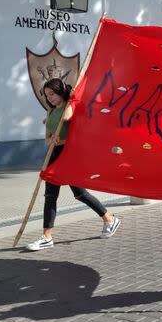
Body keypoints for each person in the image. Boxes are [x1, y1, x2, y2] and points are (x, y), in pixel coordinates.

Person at [26, 78, 121, 251]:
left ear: (61, 91)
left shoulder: (71, 106)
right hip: (54, 155)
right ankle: (47, 236)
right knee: (50, 196)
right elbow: (47, 139)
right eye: (47, 95)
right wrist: (52, 140)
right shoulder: (50, 112)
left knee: (80, 194)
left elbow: (68, 117)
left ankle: (109, 218)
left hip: (70, 156)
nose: (50, 98)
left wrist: (71, 98)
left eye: (52, 94)